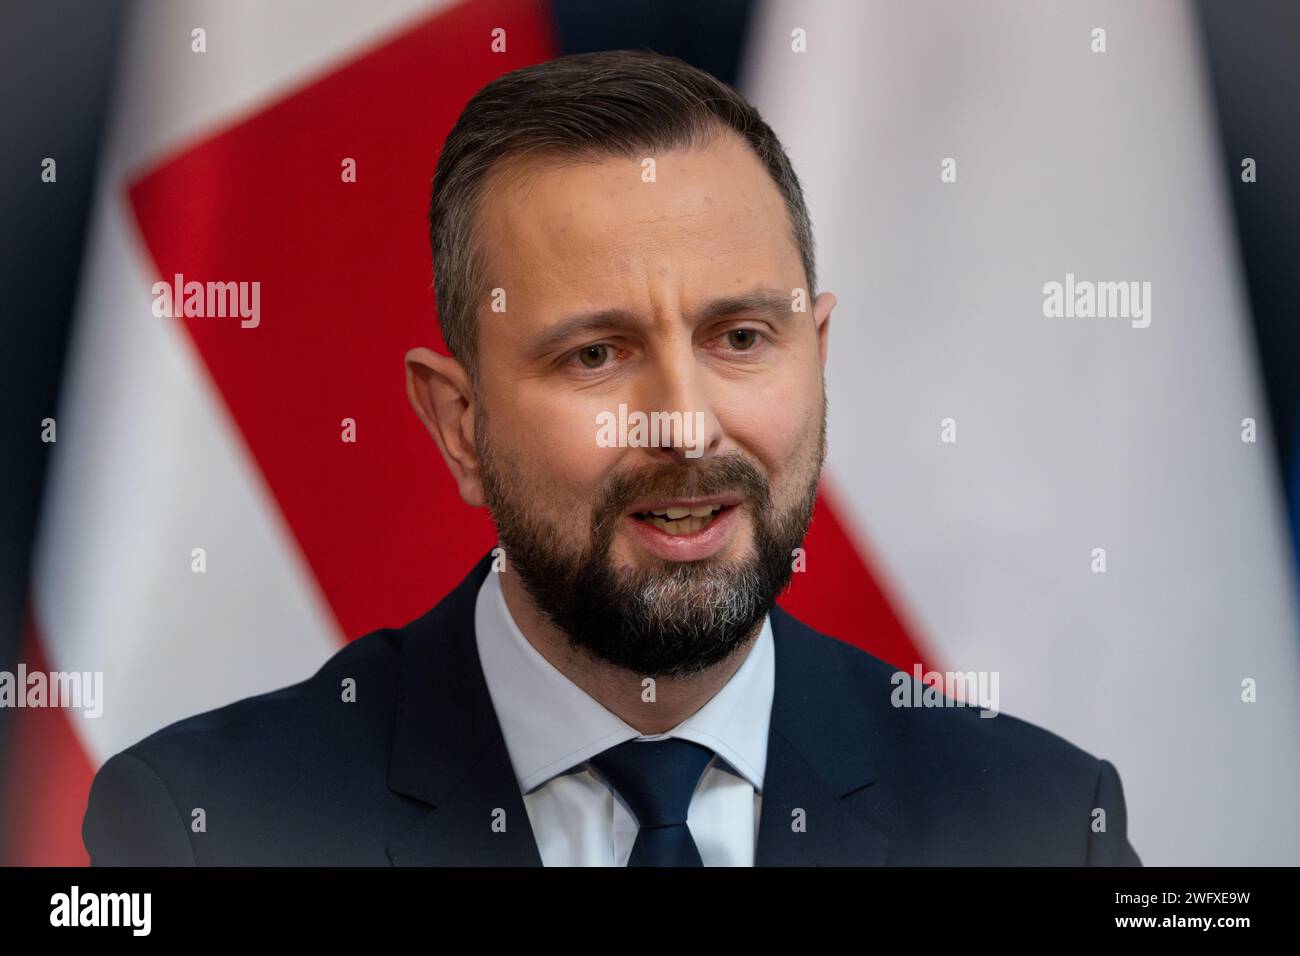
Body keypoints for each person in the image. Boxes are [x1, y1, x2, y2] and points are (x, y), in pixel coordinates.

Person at [83, 50, 1141, 866]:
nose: (683, 427)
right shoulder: (205, 833)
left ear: (817, 358)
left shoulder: (1043, 823)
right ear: (459, 422)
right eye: (596, 353)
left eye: (739, 339)